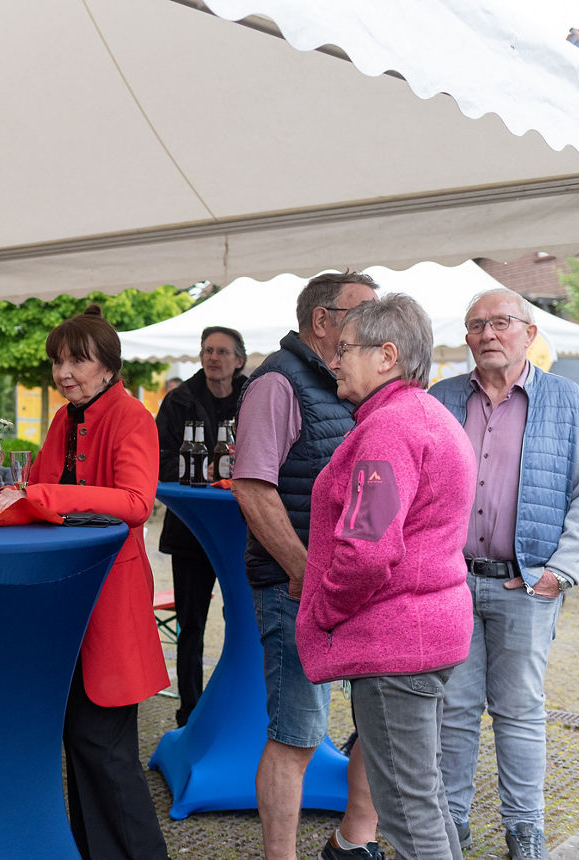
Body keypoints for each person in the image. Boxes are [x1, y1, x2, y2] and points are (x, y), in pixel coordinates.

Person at [428, 288, 579, 859]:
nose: (487, 334)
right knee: (453, 708)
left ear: (529, 333)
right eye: (476, 324)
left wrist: (561, 571)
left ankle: (524, 828)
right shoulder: (440, 399)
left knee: (520, 709)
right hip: (451, 582)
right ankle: (451, 821)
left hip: (527, 584)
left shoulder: (566, 401)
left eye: (501, 322)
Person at [297, 294, 476, 860]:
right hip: (428, 632)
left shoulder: (389, 430)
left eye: (345, 348)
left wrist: (324, 609)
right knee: (424, 798)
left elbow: (368, 549)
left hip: (397, 640)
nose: (334, 359)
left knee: (406, 809)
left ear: (387, 356)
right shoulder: (428, 416)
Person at [0, 306, 170, 860]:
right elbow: (39, 485)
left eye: (76, 360)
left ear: (108, 365)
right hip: (68, 598)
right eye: (57, 361)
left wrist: (41, 497)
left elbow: (137, 503)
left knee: (106, 747)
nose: (64, 372)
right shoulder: (64, 419)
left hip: (108, 599)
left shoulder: (132, 417)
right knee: (82, 742)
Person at [230, 271, 382, 860]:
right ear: (323, 320)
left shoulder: (346, 383)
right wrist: (304, 571)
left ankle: (353, 842)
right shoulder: (277, 382)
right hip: (298, 588)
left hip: (350, 586)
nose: (375, 322)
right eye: (362, 311)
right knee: (295, 736)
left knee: (375, 721)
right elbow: (252, 488)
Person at [155, 325, 249, 726]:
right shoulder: (178, 401)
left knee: (243, 620)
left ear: (239, 360)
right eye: (208, 350)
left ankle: (238, 705)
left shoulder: (255, 396)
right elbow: (157, 461)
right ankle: (189, 713)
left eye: (223, 352)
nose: (214, 358)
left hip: (246, 533)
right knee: (191, 625)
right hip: (191, 531)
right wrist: (204, 468)